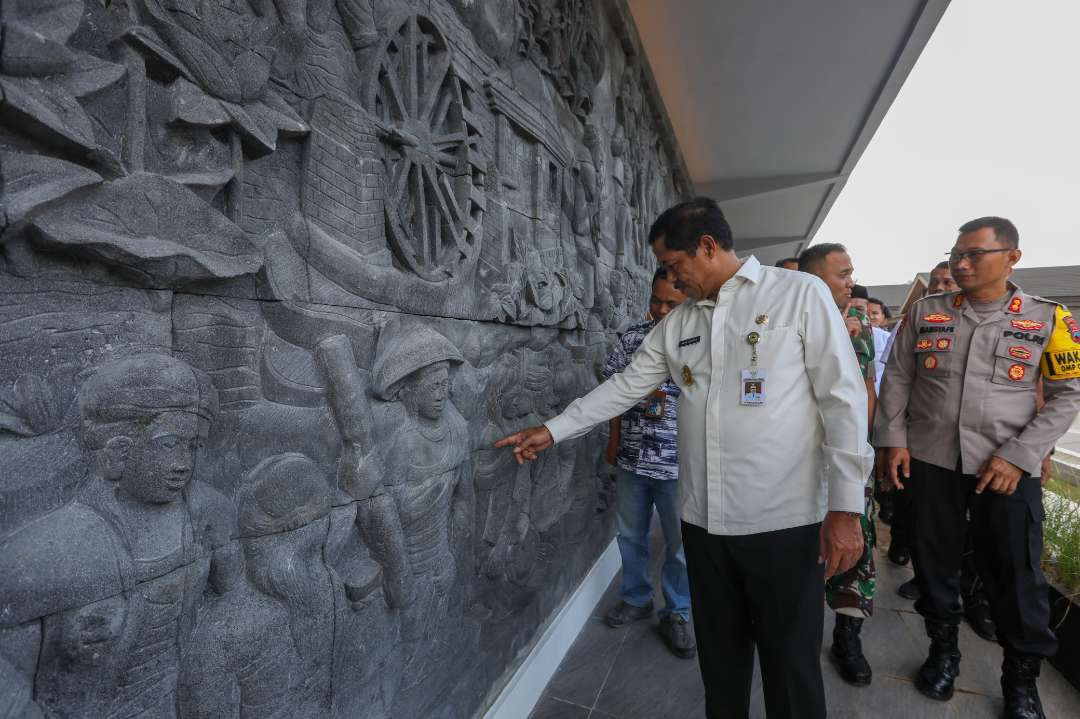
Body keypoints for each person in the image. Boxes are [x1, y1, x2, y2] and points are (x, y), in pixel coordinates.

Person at [496, 197, 874, 719]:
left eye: (675, 267)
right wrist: (553, 429)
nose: (672, 280)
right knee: (720, 661)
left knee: (790, 665)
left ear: (708, 246)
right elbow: (627, 385)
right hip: (704, 525)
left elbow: (844, 400)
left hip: (783, 524)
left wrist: (846, 508)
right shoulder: (681, 323)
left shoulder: (797, 295)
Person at [876, 217, 1080, 718]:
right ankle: (943, 652)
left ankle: (1020, 680)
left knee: (1017, 574)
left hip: (1006, 468)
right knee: (933, 563)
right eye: (956, 255)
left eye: (974, 255)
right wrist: (893, 441)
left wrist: (1021, 455)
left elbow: (1067, 393)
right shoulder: (926, 312)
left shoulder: (1049, 318)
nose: (960, 264)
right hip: (932, 461)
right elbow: (898, 377)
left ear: (1012, 257)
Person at [600, 267, 694, 659]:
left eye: (670, 303)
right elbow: (614, 394)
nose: (659, 309)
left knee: (679, 546)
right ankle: (636, 598)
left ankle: (678, 611)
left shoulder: (700, 341)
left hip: (680, 465)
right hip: (634, 459)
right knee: (630, 534)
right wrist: (615, 439)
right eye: (655, 300)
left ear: (688, 299)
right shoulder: (633, 338)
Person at [799, 246, 877, 688]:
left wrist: (861, 452)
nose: (851, 282)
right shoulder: (786, 320)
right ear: (814, 280)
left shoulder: (859, 322)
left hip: (844, 455)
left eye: (852, 274)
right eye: (842, 275)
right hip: (794, 461)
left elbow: (865, 390)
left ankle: (848, 636)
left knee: (855, 548)